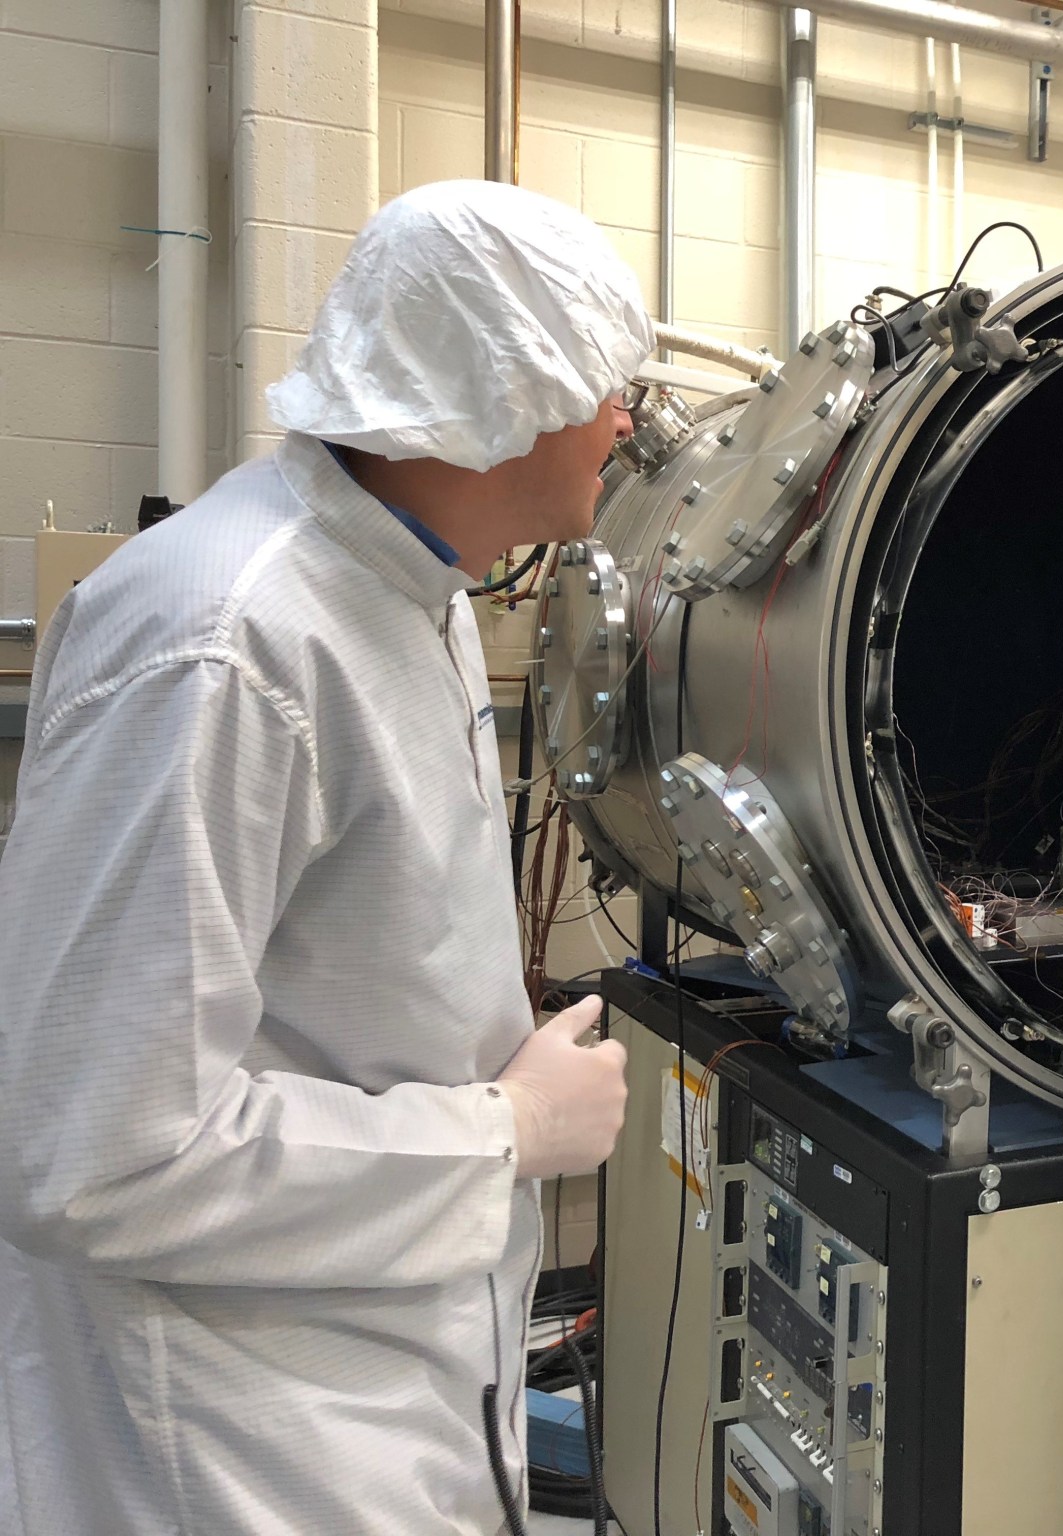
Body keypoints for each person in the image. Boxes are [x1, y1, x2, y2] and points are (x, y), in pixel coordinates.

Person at [0, 181, 650, 1533]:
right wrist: (507, 1133)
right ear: (503, 388)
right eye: (607, 382)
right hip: (241, 1444)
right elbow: (96, 1154)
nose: (625, 421)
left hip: (383, 1380)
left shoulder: (416, 593)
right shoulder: (228, 639)